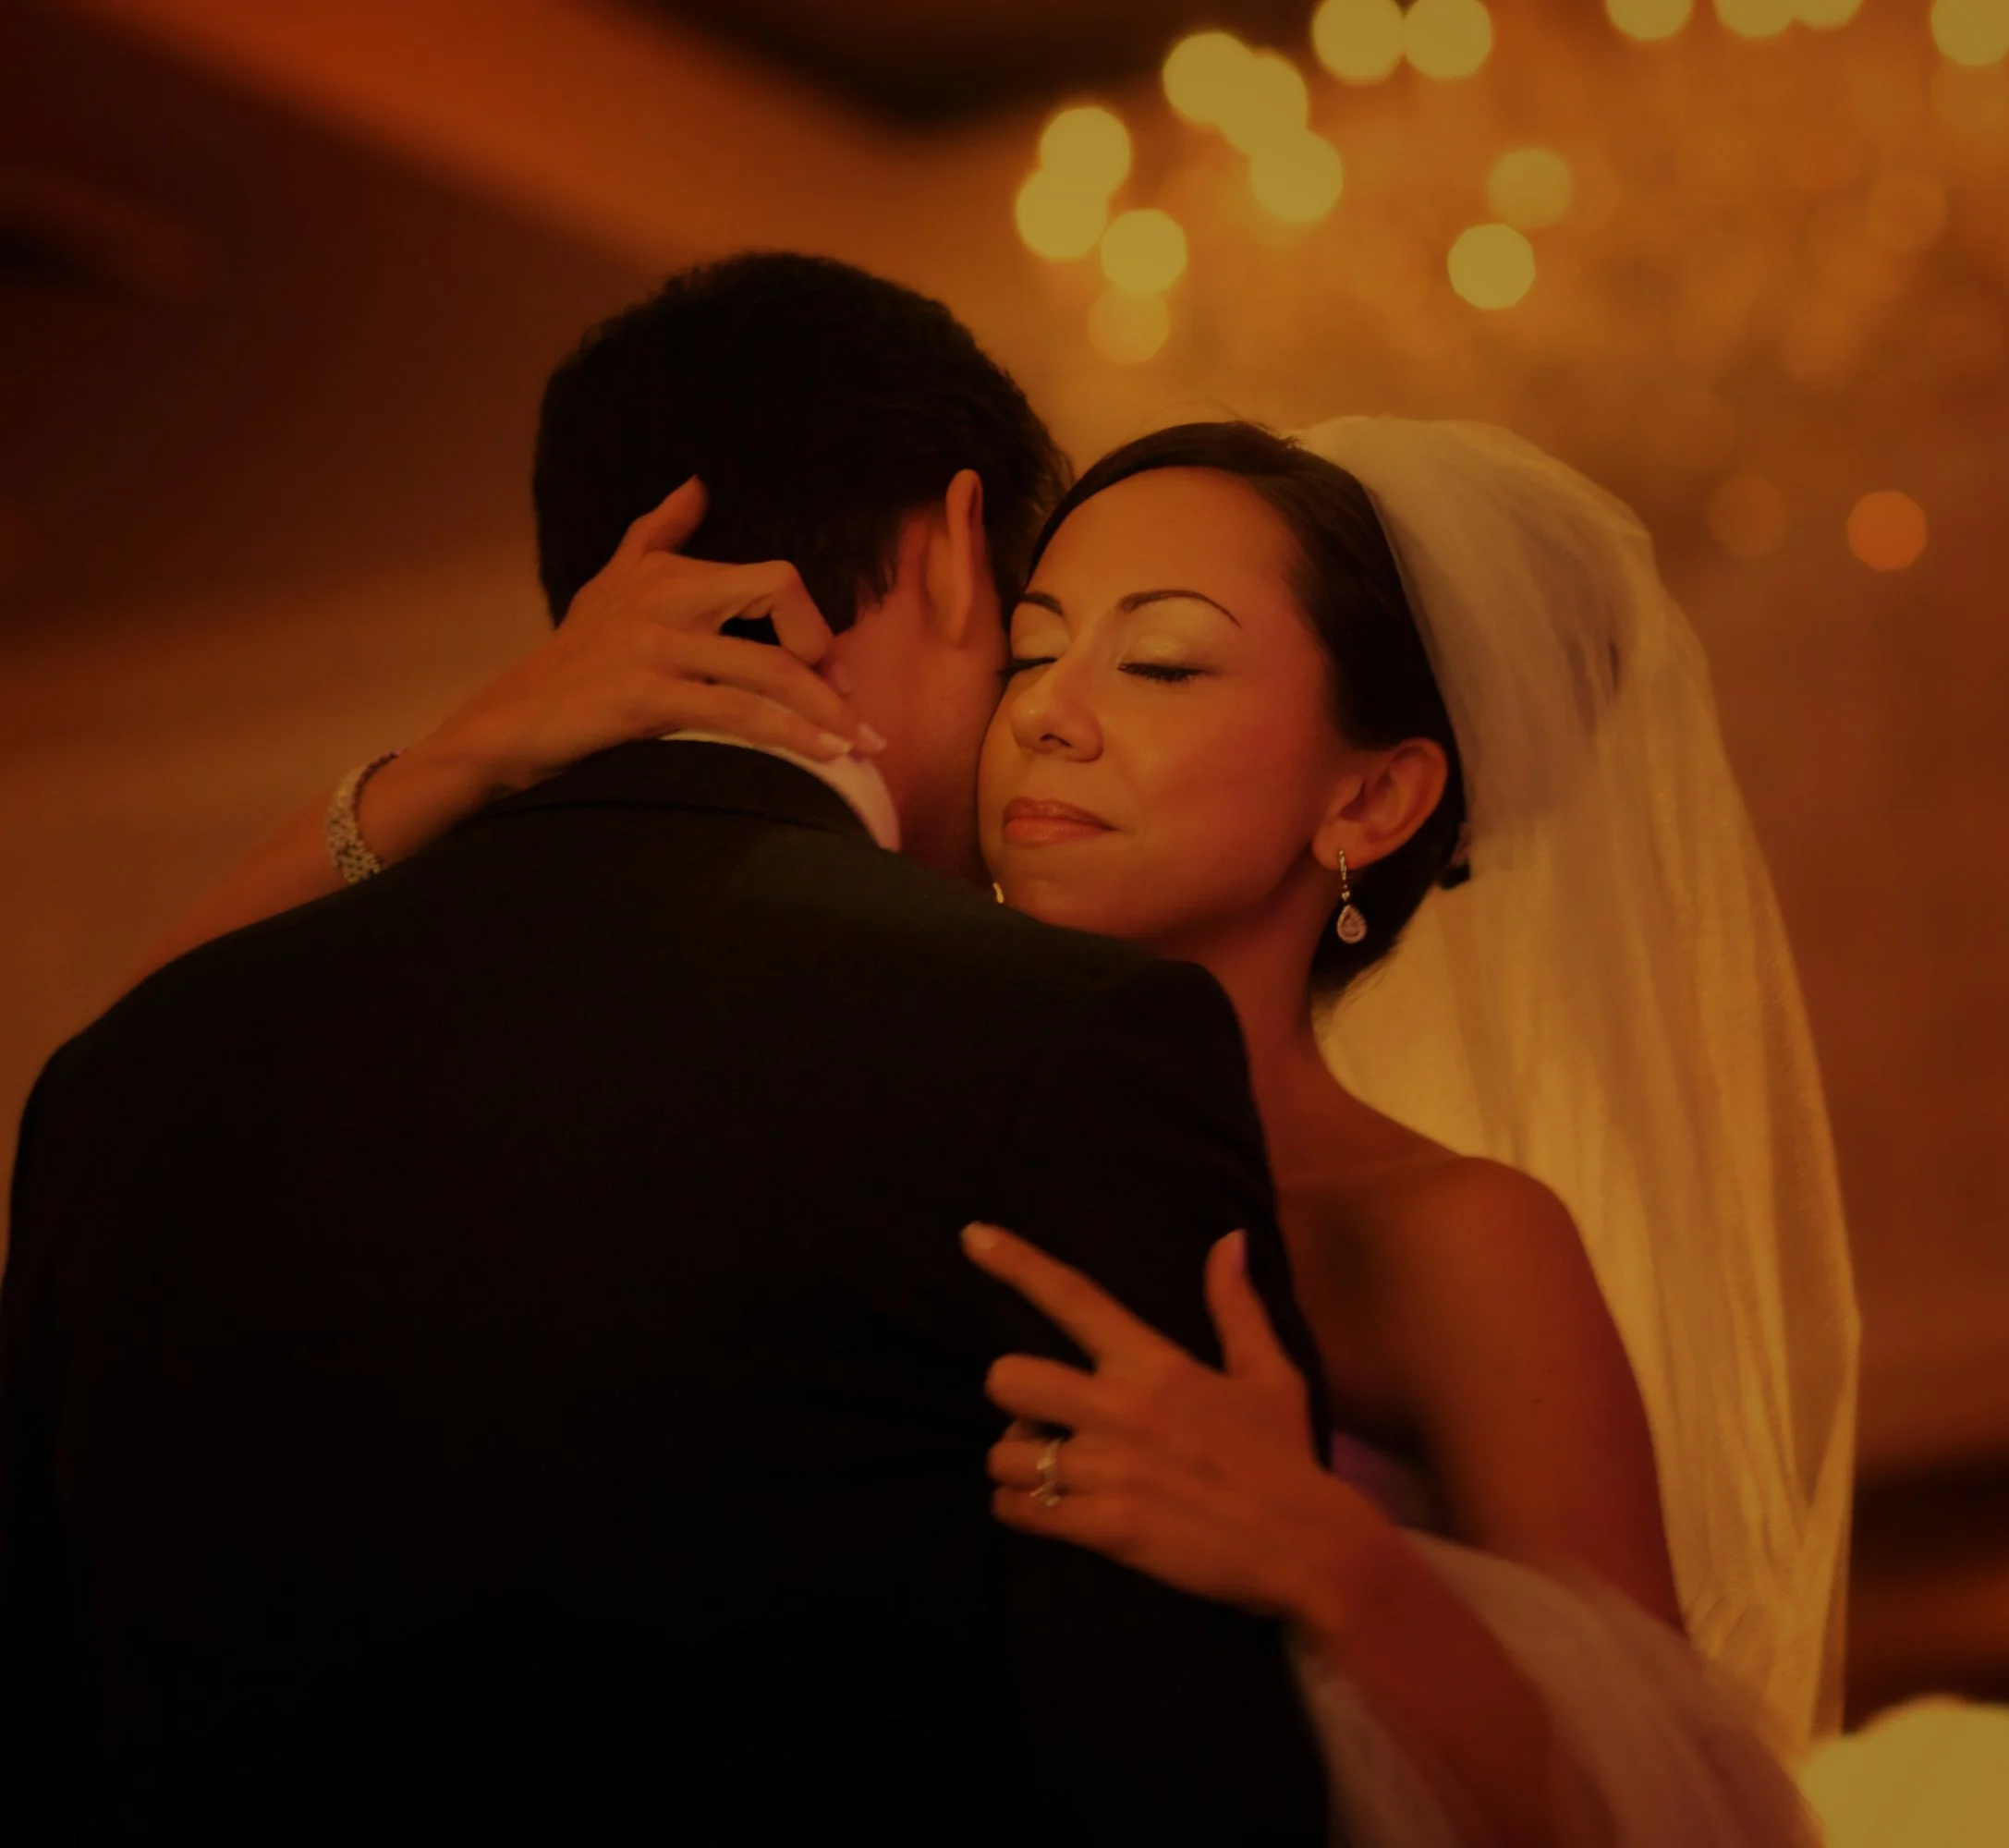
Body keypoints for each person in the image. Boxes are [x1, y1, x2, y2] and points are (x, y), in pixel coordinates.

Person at [25, 276, 1861, 1842]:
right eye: (1035, 644)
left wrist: (1333, 1555)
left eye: (1158, 663)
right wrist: (469, 754)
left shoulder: (1451, 1232)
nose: (1047, 709)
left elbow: (1673, 1808)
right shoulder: (913, 1088)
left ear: (1370, 793)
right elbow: (171, 1051)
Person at [0, 254, 1337, 1843]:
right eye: (1034, 638)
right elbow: (1181, 1775)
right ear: (962, 549)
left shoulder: (120, 1081)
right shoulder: (1062, 1042)